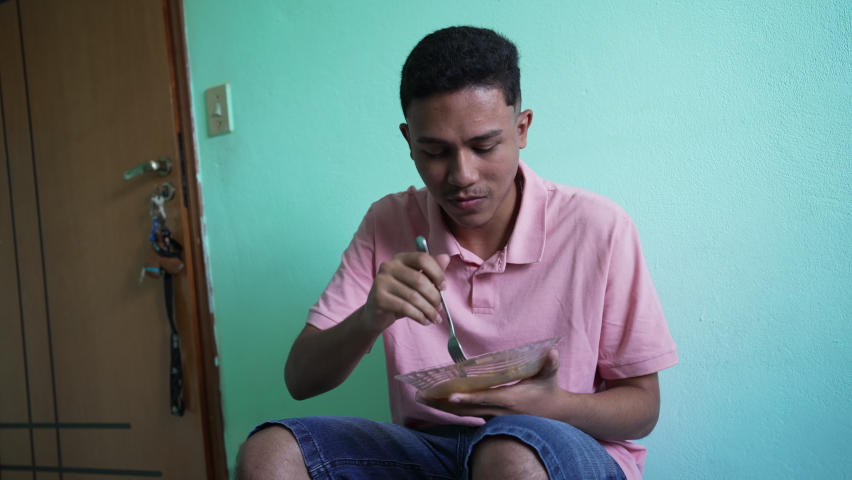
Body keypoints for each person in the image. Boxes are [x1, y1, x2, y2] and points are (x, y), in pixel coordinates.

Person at [237, 26, 677, 480]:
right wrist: (369, 318)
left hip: (559, 444)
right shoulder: (386, 221)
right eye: (434, 152)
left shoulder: (598, 227)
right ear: (409, 141)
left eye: (484, 146)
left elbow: (643, 409)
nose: (461, 175)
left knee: (507, 456)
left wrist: (555, 405)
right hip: (430, 448)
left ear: (521, 128)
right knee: (269, 452)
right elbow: (300, 381)